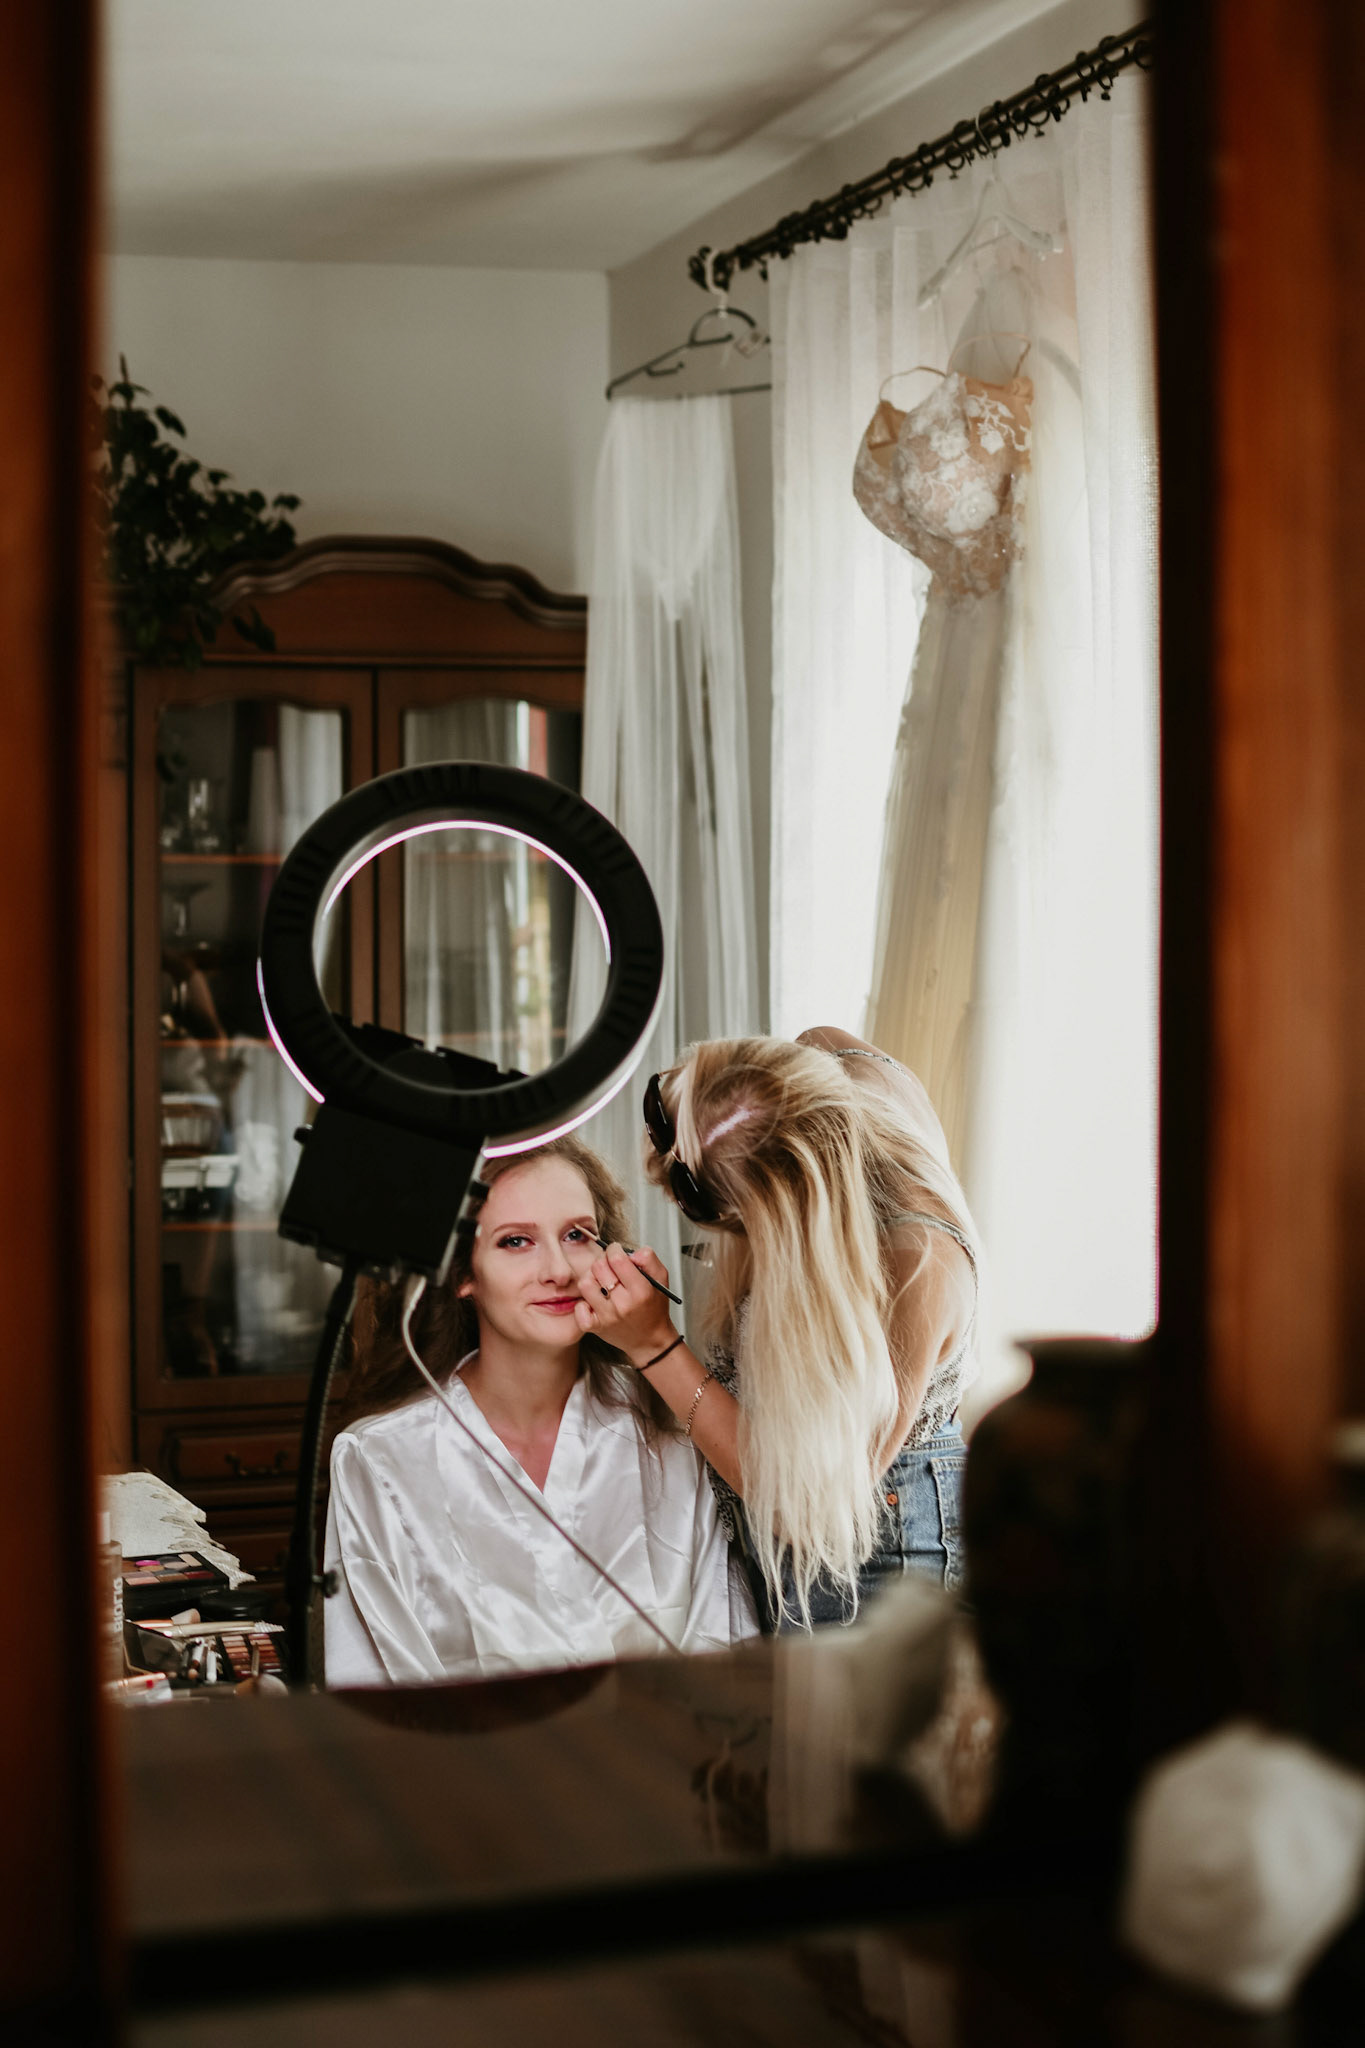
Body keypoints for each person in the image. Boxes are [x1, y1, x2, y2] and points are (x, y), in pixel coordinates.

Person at [577, 1028, 979, 1631]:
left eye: (736, 1224)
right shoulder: (826, 1062)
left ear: (784, 1210)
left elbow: (803, 1505)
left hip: (874, 1556)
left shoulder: (917, 1268)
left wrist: (654, 1345)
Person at [323, 1135, 755, 1687]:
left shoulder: (672, 1428)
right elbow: (378, 1695)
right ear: (462, 1273)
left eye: (577, 1235)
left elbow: (724, 1650)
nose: (558, 1270)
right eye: (516, 1241)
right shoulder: (378, 1459)